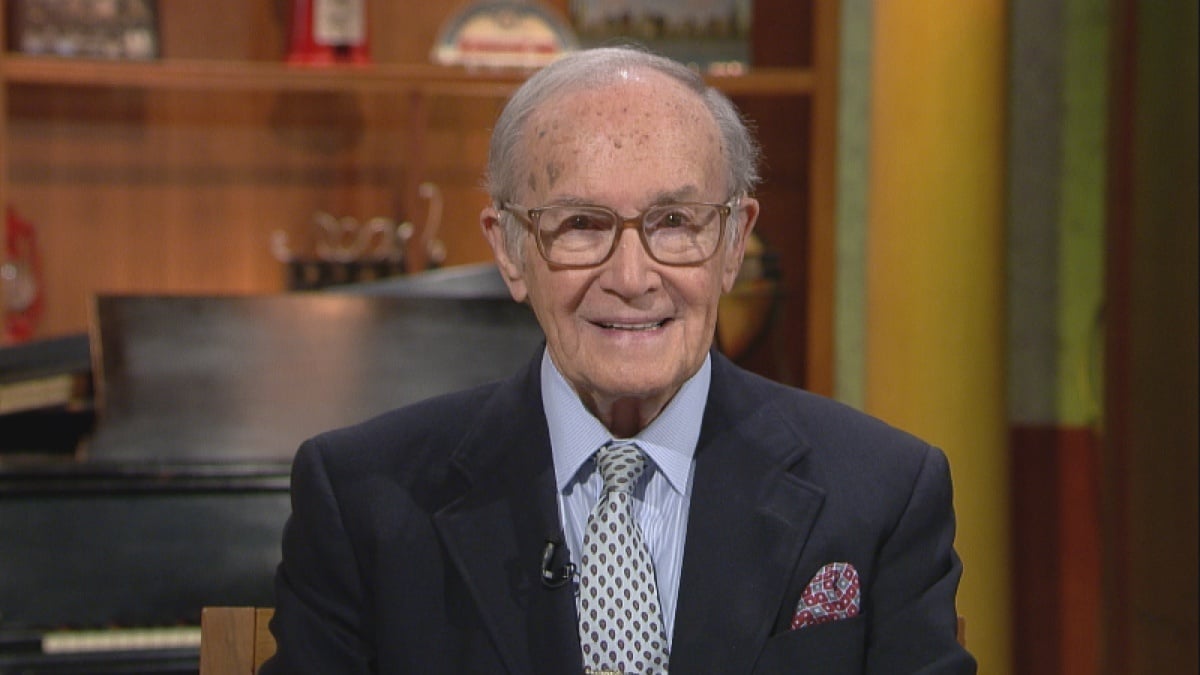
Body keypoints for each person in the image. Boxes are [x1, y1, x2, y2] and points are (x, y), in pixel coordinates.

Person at [260, 46, 976, 674]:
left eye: (674, 223)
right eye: (580, 224)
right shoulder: (362, 500)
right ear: (509, 249)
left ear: (734, 243)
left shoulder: (883, 494)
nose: (632, 277)